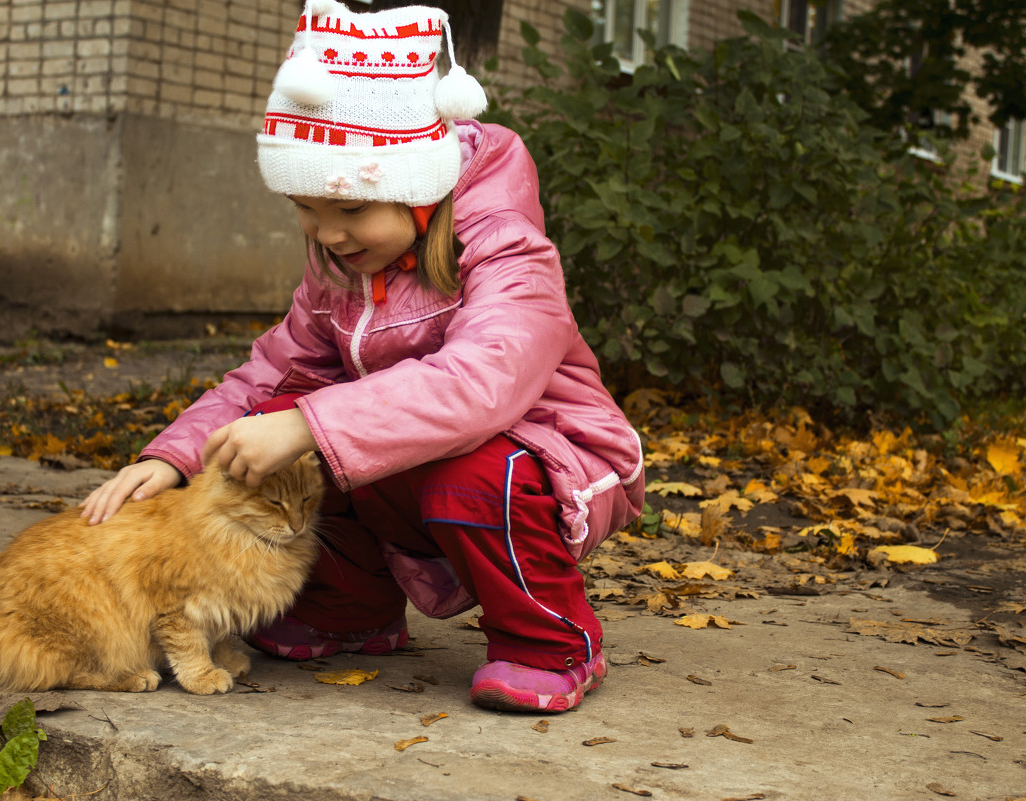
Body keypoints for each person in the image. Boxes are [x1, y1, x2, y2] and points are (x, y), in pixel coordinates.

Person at [80, 0, 644, 713]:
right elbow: (267, 378)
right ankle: (349, 612)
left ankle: (549, 640)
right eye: (307, 210)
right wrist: (172, 457)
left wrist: (308, 425)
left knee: (430, 460)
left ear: (419, 190)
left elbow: (484, 384)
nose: (327, 233)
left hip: (543, 461)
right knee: (285, 439)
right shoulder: (340, 272)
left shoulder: (505, 250)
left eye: (348, 211)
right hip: (405, 461)